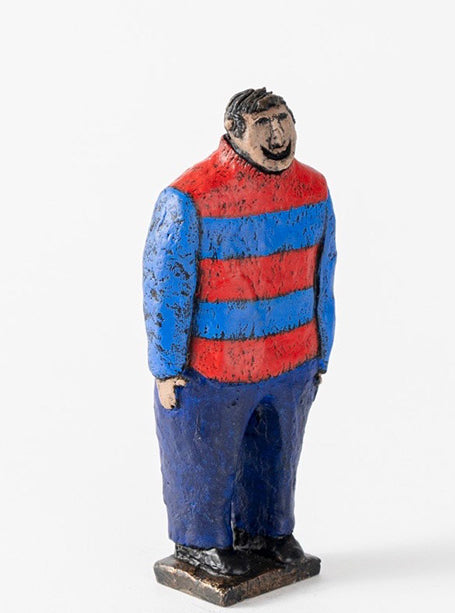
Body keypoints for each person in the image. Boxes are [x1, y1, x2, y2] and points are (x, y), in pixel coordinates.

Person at [143, 88, 336, 576]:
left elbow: (324, 272)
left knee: (278, 457)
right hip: (211, 371)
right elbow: (165, 286)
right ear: (233, 132)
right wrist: (166, 368)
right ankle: (199, 542)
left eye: (283, 119)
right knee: (204, 460)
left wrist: (322, 352)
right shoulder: (189, 198)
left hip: (292, 360)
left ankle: (270, 531)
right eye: (263, 124)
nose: (278, 133)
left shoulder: (314, 189)